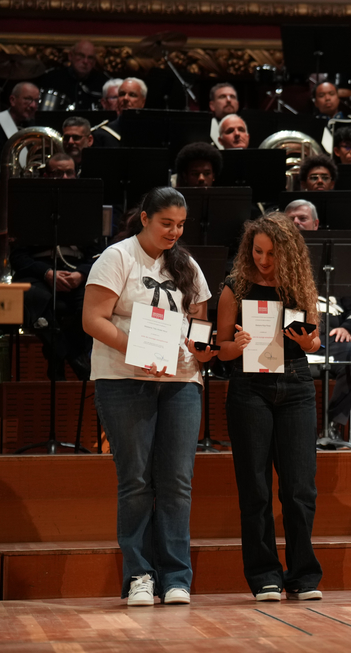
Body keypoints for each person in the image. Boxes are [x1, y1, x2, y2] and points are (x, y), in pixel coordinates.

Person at [81, 186, 215, 607]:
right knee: (136, 478)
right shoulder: (117, 257)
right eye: (166, 223)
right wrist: (135, 351)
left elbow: (199, 325)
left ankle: (176, 576)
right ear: (144, 218)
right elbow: (92, 319)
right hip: (123, 379)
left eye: (180, 225)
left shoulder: (187, 265)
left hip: (180, 383)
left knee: (176, 480)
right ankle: (140, 574)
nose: (174, 231)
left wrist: (202, 349)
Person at [216, 213, 323, 601]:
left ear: (289, 253)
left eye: (272, 253)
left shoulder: (299, 286)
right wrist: (237, 345)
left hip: (295, 383)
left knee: (299, 488)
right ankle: (264, 575)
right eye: (257, 251)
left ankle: (304, 574)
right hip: (249, 387)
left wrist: (307, 341)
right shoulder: (235, 287)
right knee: (256, 487)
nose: (263, 260)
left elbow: (314, 343)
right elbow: (220, 350)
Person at [284, 201, 351, 443]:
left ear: (315, 224)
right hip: (288, 337)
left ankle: (332, 426)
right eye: (290, 218)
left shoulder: (335, 260)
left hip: (331, 338)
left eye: (302, 218)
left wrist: (347, 328)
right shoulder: (273, 258)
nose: (296, 223)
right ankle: (293, 433)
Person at [13, 153, 101, 382]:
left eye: (68, 173)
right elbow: (17, 257)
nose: (63, 177)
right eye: (56, 173)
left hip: (76, 269)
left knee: (91, 304)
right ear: (45, 175)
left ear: (76, 174)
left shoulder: (87, 206)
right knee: (33, 296)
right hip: (40, 271)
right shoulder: (29, 205)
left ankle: (59, 359)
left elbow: (100, 255)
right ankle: (76, 359)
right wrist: (46, 273)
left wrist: (81, 274)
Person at [37, 39, 105, 110]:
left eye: (90, 58)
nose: (85, 61)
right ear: (70, 56)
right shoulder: (52, 78)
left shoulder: (102, 82)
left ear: (94, 62)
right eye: (81, 56)